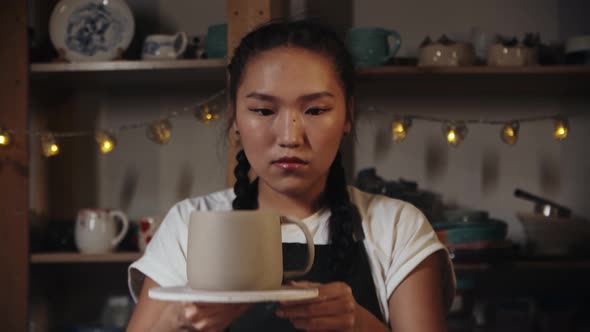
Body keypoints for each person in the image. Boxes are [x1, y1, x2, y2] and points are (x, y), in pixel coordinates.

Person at [126, 19, 455, 332]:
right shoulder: (189, 224)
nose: (289, 137)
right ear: (235, 117)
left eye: (315, 110)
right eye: (263, 110)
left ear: (348, 115)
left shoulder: (396, 226)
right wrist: (176, 323)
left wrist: (360, 324)